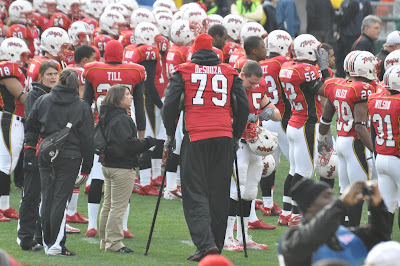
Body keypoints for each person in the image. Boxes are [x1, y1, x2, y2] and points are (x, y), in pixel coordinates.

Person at [162, 33, 249, 262]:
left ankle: (206, 244)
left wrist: (170, 133)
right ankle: (214, 246)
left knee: (194, 192)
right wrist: (235, 136)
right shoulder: (230, 72)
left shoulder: (183, 71)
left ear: (194, 52)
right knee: (218, 192)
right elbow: (244, 107)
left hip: (196, 136)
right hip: (223, 136)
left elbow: (169, 106)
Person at [25, 68, 94, 256]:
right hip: (70, 156)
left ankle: (47, 240)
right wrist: (87, 166)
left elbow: (30, 125)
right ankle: (54, 244)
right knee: (60, 200)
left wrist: (34, 145)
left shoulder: (43, 100)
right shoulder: (81, 106)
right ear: (76, 84)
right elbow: (88, 139)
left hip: (46, 153)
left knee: (47, 197)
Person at [83, 40, 146, 238]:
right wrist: (141, 136)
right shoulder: (134, 71)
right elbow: (140, 107)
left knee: (97, 177)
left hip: (99, 127)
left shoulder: (92, 69)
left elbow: (86, 104)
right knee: (124, 177)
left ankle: (92, 224)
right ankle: (123, 226)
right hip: (125, 128)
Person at [318, 51, 377, 226]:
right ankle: (353, 231)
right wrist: (375, 150)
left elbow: (326, 118)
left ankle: (342, 227)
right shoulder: (362, 89)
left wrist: (322, 139)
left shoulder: (337, 85)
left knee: (344, 188)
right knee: (357, 190)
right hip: (355, 142)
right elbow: (360, 126)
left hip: (341, 140)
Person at [278, 178, 391, 266]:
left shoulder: (344, 235)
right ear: (310, 206)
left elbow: (381, 239)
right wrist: (340, 204)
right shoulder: (290, 239)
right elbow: (313, 236)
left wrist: (377, 207)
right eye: (327, 196)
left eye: (334, 195)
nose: (334, 199)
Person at [98, 85, 157, 253]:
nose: (131, 97)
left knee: (108, 205)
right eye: (127, 94)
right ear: (118, 99)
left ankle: (105, 240)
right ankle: (115, 243)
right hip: (121, 166)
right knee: (118, 207)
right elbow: (127, 145)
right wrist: (148, 142)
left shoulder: (107, 114)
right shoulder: (122, 118)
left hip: (109, 165)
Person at [277, 34, 328, 227]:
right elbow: (326, 90)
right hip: (307, 124)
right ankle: (297, 215)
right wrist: (324, 70)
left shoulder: (288, 67)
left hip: (294, 122)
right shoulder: (306, 70)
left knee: (294, 170)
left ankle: (286, 212)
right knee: (304, 173)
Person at [17, 61, 59, 251]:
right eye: (49, 74)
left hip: (51, 149)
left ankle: (42, 235)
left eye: (55, 73)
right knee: (32, 195)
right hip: (35, 148)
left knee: (48, 196)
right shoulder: (35, 95)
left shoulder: (55, 94)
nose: (52, 77)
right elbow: (38, 122)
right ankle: (25, 237)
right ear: (40, 76)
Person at [368, 65, 400, 232]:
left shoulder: (373, 99)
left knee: (387, 207)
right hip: (397, 158)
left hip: (381, 156)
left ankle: (383, 243)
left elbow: (373, 129)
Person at [0, 40, 29, 222]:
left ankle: (4, 205)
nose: (25, 60)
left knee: (6, 165)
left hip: (12, 118)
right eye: (23, 55)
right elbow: (22, 96)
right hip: (9, 118)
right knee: (4, 165)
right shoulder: (7, 67)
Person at [335, 0, 372, 78]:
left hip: (355, 35)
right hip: (345, 35)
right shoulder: (345, 2)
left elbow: (368, 17)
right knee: (342, 58)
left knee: (355, 59)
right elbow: (340, 18)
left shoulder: (363, 3)